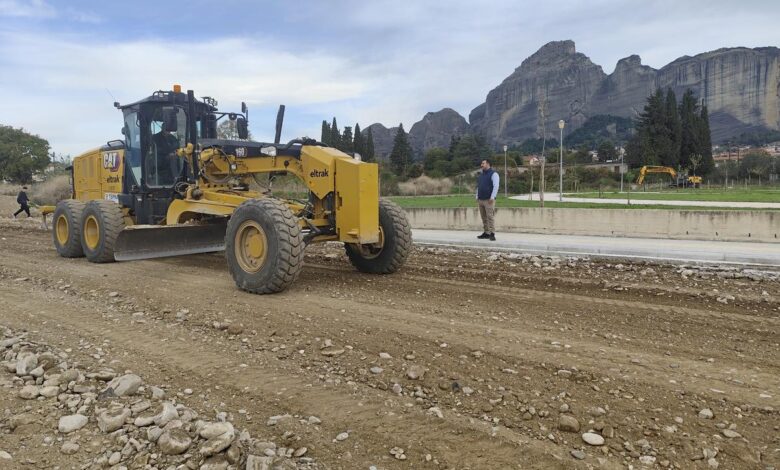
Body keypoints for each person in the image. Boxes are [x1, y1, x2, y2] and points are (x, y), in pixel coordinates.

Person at [476, 159, 499, 241]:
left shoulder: (494, 174)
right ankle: (486, 232)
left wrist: (492, 197)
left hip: (489, 200)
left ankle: (492, 233)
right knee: (484, 217)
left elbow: (496, 186)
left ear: (488, 164)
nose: (481, 165)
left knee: (490, 217)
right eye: (481, 163)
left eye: (483, 163)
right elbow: (478, 187)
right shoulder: (481, 175)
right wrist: (477, 197)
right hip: (481, 199)